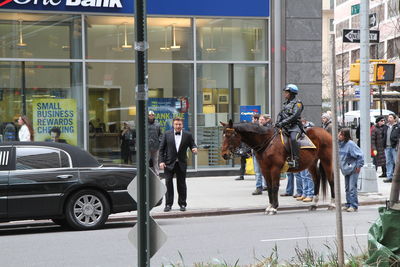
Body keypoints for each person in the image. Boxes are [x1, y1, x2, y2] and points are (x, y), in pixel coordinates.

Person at [159, 117, 197, 212]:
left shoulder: (187, 135)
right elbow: (161, 149)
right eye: (176, 124)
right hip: (168, 163)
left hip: (181, 163)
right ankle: (168, 204)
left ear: (182, 125)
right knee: (168, 184)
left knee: (181, 184)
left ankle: (182, 204)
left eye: (179, 124)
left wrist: (194, 148)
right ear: (173, 125)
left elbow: (193, 144)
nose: (178, 126)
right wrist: (161, 161)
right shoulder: (167, 134)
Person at [275, 84, 304, 168]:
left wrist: (282, 122)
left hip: (294, 127)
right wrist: (278, 122)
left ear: (291, 93)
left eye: (286, 92)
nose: (285, 94)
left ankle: (296, 160)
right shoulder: (285, 103)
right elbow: (281, 114)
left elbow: (295, 115)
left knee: (293, 139)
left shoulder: (298, 103)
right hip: (284, 127)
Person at [338, 128, 364, 212]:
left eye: (341, 134)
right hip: (346, 169)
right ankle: (348, 203)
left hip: (353, 169)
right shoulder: (340, 144)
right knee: (347, 188)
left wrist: (358, 166)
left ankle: (354, 205)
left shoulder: (351, 144)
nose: (339, 136)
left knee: (352, 188)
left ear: (345, 136)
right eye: (339, 134)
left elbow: (360, 155)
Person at [251, 113, 267, 195]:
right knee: (257, 171)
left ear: (265, 120)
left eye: (262, 120)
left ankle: (266, 185)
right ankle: (258, 187)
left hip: (264, 153)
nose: (260, 121)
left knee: (264, 170)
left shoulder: (267, 129)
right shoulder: (255, 128)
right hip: (256, 153)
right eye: (260, 120)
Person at [382, 113, 400, 183]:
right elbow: (383, 135)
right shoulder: (386, 127)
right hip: (387, 147)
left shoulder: (397, 127)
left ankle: (397, 177)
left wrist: (397, 143)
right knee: (388, 162)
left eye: (391, 117)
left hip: (394, 147)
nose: (389, 119)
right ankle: (389, 176)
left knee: (396, 162)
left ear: (394, 119)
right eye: (388, 117)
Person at [148, 110, 162, 176]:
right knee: (146, 160)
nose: (151, 116)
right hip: (147, 146)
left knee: (155, 160)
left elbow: (160, 134)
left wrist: (159, 141)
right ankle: (146, 173)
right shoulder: (145, 124)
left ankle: (157, 174)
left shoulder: (157, 124)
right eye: (149, 115)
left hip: (156, 146)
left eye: (152, 115)